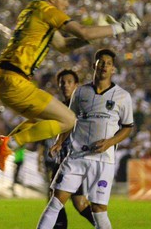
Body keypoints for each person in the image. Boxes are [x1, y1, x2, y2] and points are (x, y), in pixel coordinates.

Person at [0, 0, 140, 181]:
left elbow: (63, 46)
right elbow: (82, 31)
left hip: (2, 78)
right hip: (15, 80)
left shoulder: (33, 11)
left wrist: (96, 35)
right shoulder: (47, 10)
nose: (67, 4)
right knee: (68, 120)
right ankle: (9, 144)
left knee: (44, 119)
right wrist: (120, 27)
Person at [37, 49, 134, 229]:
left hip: (103, 160)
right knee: (55, 202)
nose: (104, 65)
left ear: (113, 69)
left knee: (98, 210)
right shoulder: (80, 92)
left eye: (108, 63)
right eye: (101, 62)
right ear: (94, 66)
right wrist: (59, 141)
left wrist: (110, 143)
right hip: (76, 157)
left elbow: (128, 127)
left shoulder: (123, 96)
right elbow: (70, 120)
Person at [39, 69, 95, 228]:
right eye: (62, 82)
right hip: (61, 160)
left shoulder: (82, 107)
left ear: (76, 85)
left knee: (57, 200)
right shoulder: (58, 108)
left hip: (75, 161)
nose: (65, 85)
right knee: (79, 204)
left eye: (69, 82)